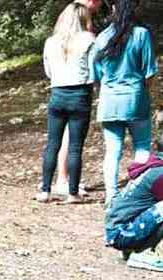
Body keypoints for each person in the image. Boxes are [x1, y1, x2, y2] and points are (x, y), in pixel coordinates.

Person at [90, 0, 158, 206]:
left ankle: (111, 196)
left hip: (109, 101)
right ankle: (138, 192)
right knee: (142, 146)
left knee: (112, 151)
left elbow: (97, 75)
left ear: (113, 10)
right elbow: (149, 72)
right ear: (133, 10)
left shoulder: (102, 38)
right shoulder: (141, 35)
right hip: (136, 99)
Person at [37, 2, 96, 204]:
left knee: (52, 144)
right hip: (80, 94)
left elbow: (48, 71)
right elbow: (93, 70)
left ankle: (45, 190)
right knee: (75, 147)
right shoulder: (89, 39)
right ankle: (72, 192)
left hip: (57, 94)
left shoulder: (51, 41)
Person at [53, 0, 103, 196]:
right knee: (71, 138)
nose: (100, 6)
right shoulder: (82, 24)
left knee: (63, 136)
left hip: (61, 87)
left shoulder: (66, 19)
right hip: (77, 89)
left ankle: (62, 180)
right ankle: (64, 180)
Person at [104, 154, 163, 271]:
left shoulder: (155, 167)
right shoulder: (160, 174)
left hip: (121, 231)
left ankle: (135, 249)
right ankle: (146, 255)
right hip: (122, 233)